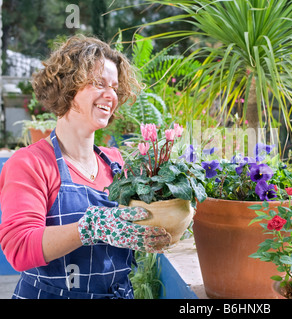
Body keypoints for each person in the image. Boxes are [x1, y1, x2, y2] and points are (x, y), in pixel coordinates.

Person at [0, 35, 171, 299]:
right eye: (98, 83)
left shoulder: (117, 163)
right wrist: (89, 228)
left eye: (114, 87)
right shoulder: (31, 163)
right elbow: (20, 249)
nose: (110, 95)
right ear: (67, 87)